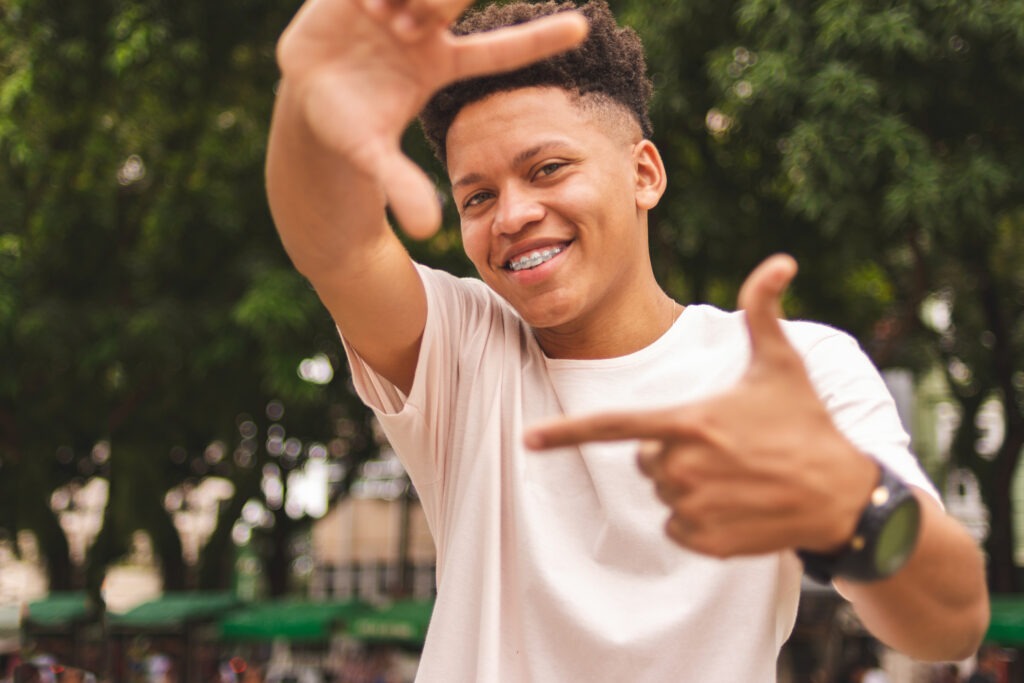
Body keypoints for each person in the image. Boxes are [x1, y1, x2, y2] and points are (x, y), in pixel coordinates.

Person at [265, 0, 990, 679]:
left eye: (547, 168)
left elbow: (950, 623)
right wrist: (307, 103)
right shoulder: (464, 351)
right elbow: (340, 246)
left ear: (644, 173)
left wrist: (851, 506)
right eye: (477, 197)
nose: (512, 214)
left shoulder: (794, 369)